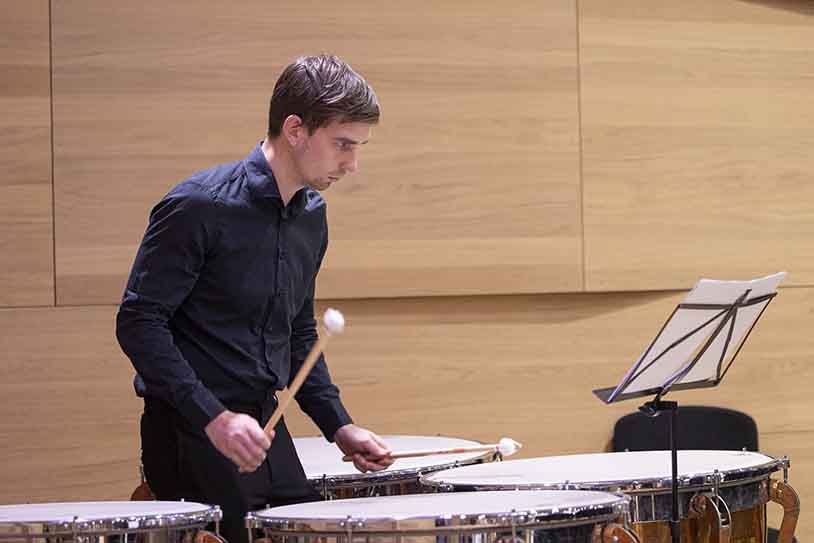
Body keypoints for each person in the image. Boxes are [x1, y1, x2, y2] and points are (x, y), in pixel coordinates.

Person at [116, 54, 393, 543]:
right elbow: (139, 322)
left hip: (262, 420)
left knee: (306, 532)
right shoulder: (199, 206)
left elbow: (298, 331)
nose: (352, 165)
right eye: (343, 145)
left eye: (358, 147)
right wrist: (214, 419)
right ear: (295, 129)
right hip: (190, 428)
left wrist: (339, 426)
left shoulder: (310, 215)